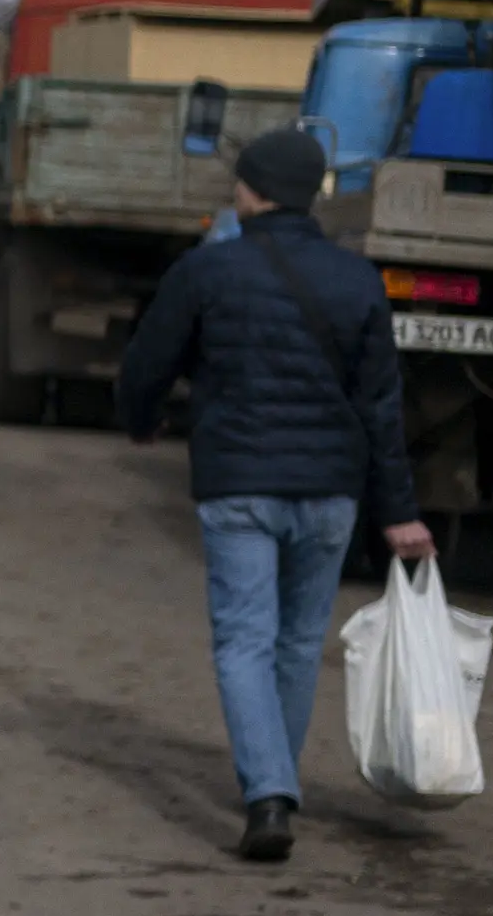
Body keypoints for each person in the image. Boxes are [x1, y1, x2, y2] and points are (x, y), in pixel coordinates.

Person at [116, 126, 435, 863]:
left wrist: (140, 421)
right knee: (295, 643)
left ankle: (268, 797)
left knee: (243, 639)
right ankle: (275, 784)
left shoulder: (209, 272)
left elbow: (148, 362)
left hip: (240, 485)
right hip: (330, 492)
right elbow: (382, 407)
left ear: (254, 191)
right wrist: (399, 513)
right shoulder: (358, 281)